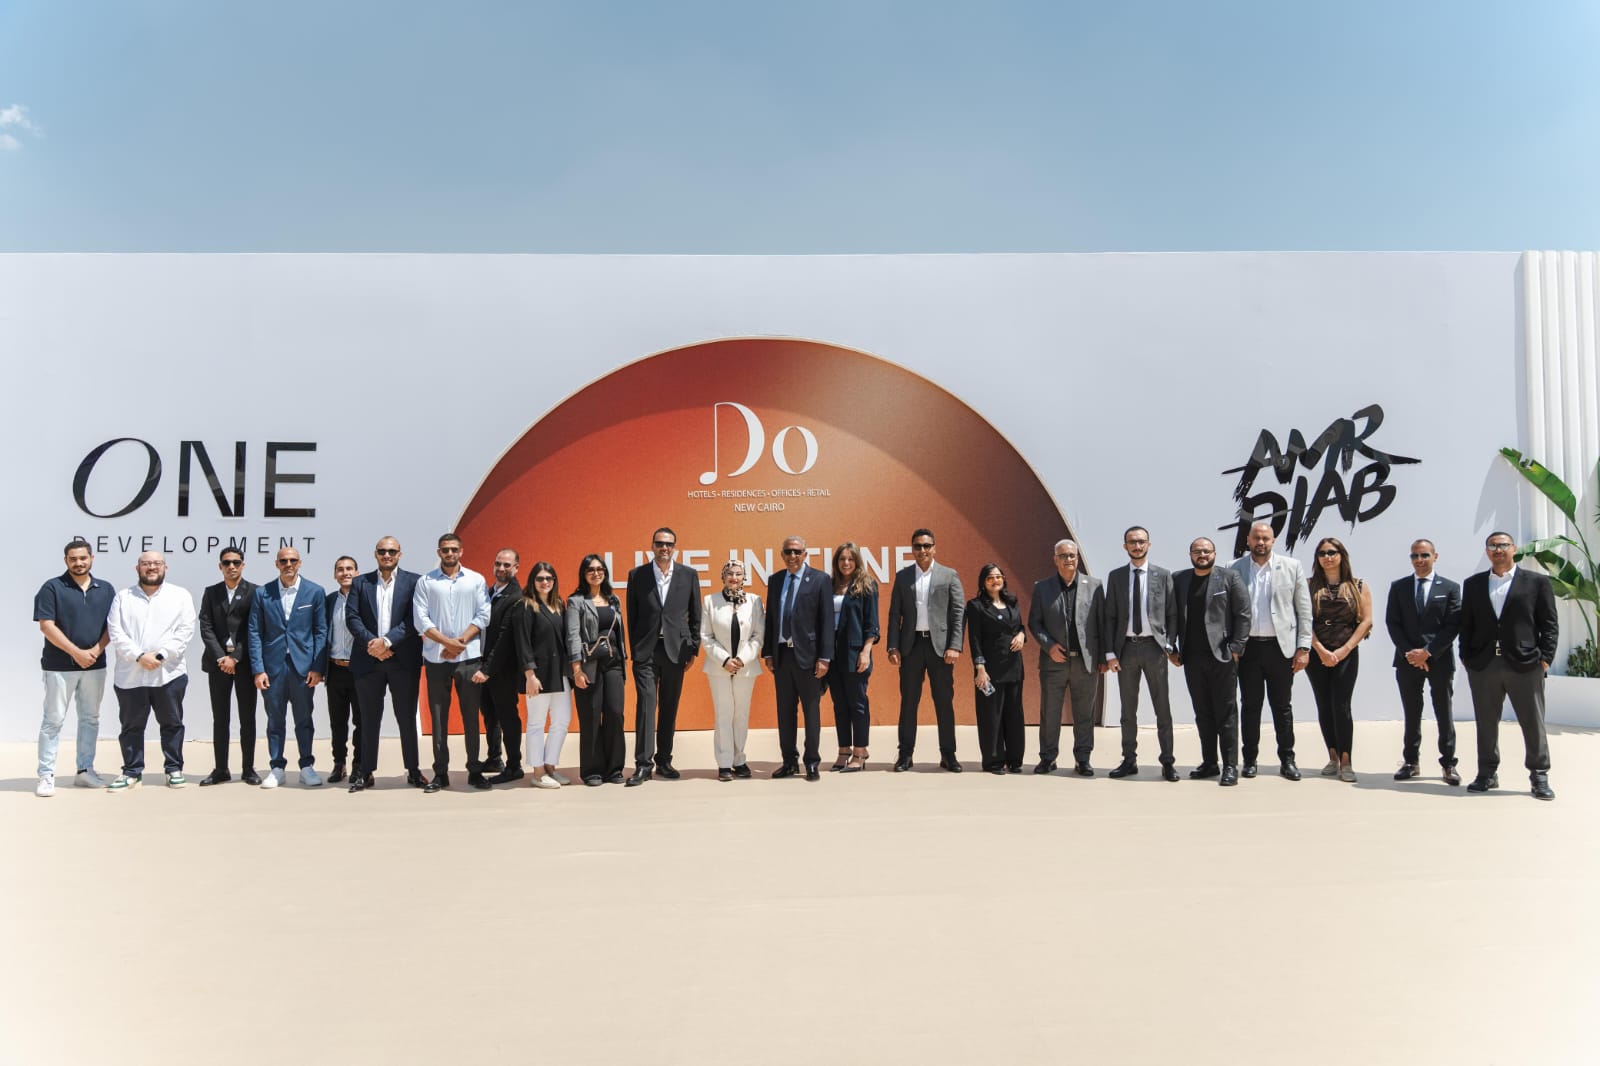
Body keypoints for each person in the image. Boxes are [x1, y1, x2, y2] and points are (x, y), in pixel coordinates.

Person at [1459, 532, 1559, 800]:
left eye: (1503, 545)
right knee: (1486, 723)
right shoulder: (1473, 584)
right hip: (1484, 665)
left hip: (1525, 663)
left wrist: (1545, 658)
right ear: (1487, 551)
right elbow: (1466, 625)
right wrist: (1467, 658)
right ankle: (1487, 773)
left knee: (1532, 722)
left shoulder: (1537, 582)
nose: (1498, 549)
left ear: (1514, 548)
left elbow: (1549, 624)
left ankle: (1539, 775)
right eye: (1492, 545)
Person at [105, 552, 196, 790]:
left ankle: (173, 769)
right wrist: (139, 656)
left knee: (172, 724)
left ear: (165, 567)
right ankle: (132, 772)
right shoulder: (123, 597)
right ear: (137, 568)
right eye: (146, 564)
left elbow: (185, 631)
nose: (152, 567)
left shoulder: (180, 596)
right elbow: (116, 632)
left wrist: (161, 655)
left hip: (169, 674)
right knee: (131, 727)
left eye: (157, 563)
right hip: (131, 675)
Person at [33, 537, 114, 797]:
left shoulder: (106, 589)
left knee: (90, 719)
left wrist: (96, 651)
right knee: (53, 721)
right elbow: (46, 626)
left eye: (83, 558)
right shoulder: (52, 587)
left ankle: (85, 771)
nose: (79, 563)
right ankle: (46, 775)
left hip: (94, 666)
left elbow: (112, 627)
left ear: (92, 558)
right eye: (73, 559)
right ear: (66, 560)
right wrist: (76, 653)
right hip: (59, 667)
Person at [1231, 521, 1312, 780]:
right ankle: (1250, 760)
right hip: (1248, 650)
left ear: (1273, 540)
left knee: (1282, 707)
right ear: (1248, 540)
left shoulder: (1292, 566)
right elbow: (1227, 611)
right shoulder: (1234, 568)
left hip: (1281, 649)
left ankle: (1287, 760)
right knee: (1250, 706)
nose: (1261, 542)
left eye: (1266, 538)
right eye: (1256, 538)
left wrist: (1303, 647)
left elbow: (1304, 611)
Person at [345, 537, 426, 792]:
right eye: (382, 551)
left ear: (400, 554)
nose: (387, 555)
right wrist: (374, 644)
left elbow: (414, 619)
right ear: (375, 554)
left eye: (392, 551)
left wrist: (387, 642)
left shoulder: (414, 582)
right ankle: (366, 772)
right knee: (369, 719)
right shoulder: (360, 582)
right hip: (368, 660)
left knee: (406, 718)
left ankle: (413, 770)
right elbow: (352, 617)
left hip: (403, 661)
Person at [414, 532, 492, 793]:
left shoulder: (475, 579)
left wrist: (459, 642)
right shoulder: (426, 582)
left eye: (453, 549)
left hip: (468, 658)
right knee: (438, 717)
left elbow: (483, 614)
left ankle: (475, 770)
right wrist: (447, 644)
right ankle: (440, 773)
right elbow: (421, 619)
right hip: (436, 659)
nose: (449, 553)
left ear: (461, 551)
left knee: (471, 716)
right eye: (445, 549)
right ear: (439, 552)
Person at [1102, 526, 1181, 781]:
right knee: (1128, 710)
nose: (1137, 546)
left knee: (1162, 708)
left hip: (1154, 649)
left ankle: (1167, 762)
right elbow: (1110, 617)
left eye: (1141, 541)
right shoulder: (1116, 577)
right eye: (1132, 542)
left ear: (1149, 544)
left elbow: (1172, 613)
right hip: (1125, 649)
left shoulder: (1163, 575)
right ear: (1125, 546)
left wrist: (1169, 644)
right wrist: (1110, 653)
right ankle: (1129, 760)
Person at [625, 527, 701, 786]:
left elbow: (696, 615)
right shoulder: (637, 575)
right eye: (659, 543)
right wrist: (636, 649)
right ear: (652, 546)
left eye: (668, 544)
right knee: (646, 705)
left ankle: (664, 761)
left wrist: (693, 648)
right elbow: (632, 615)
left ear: (674, 547)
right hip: (646, 651)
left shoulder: (688, 575)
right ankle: (643, 765)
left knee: (669, 706)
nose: (664, 548)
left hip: (676, 651)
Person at [1172, 538, 1251, 786]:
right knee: (1202, 713)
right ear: (1190, 554)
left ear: (1214, 553)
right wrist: (1171, 647)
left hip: (1222, 656)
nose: (1202, 554)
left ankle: (1230, 766)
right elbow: (1172, 614)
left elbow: (1243, 614)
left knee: (1226, 713)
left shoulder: (1230, 577)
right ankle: (1209, 763)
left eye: (1206, 551)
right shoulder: (1179, 579)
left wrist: (1236, 648)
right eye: (1197, 551)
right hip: (1192, 658)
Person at [248, 546, 328, 788]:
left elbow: (320, 631)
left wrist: (317, 667)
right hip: (273, 668)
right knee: (275, 720)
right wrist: (258, 669)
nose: (288, 564)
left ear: (300, 563)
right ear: (277, 564)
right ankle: (277, 768)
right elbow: (254, 632)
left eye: (293, 560)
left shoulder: (314, 591)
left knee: (304, 718)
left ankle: (306, 766)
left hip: (303, 667)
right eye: (283, 561)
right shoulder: (263, 593)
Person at [886, 528, 965, 772]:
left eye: (926, 545)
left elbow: (958, 612)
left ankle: (948, 754)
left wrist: (955, 645)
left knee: (944, 702)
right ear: (912, 549)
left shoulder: (949, 575)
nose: (922, 550)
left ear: (934, 548)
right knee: (909, 702)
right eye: (918, 546)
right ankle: (905, 755)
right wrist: (893, 646)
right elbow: (894, 614)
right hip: (911, 647)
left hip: (939, 648)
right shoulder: (903, 577)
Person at [1385, 539, 1462, 784]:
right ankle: (1410, 761)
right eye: (1415, 556)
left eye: (1424, 555)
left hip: (1439, 660)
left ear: (1435, 556)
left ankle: (1448, 764)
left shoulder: (1450, 587)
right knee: (1411, 712)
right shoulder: (1399, 587)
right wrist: (1411, 653)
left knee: (1444, 713)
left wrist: (1428, 652)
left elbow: (1452, 625)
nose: (1419, 560)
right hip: (1407, 661)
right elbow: (1392, 623)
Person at [1027, 539, 1104, 776]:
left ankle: (1083, 759)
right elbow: (1034, 623)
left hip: (1085, 663)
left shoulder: (1094, 586)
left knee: (1085, 714)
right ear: (1055, 559)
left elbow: (1102, 624)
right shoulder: (1043, 587)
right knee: (1050, 713)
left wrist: (1102, 657)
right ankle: (1048, 758)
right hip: (1054, 663)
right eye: (1063, 556)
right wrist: (1049, 646)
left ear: (1077, 558)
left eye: (1072, 555)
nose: (1068, 559)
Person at [763, 536, 833, 780]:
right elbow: (771, 619)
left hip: (809, 657)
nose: (792, 556)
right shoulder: (775, 580)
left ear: (805, 554)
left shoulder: (820, 579)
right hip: (782, 655)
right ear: (782, 554)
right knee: (785, 712)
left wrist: (824, 658)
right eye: (788, 552)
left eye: (797, 551)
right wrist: (768, 652)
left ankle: (811, 762)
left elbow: (827, 620)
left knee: (811, 712)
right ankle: (789, 761)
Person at [1305, 537, 1373, 783]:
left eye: (1332, 552)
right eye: (1322, 553)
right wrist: (1320, 649)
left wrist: (1344, 649)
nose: (1327, 557)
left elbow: (1366, 621)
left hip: (1346, 653)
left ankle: (1346, 761)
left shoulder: (1358, 585)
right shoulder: (1308, 585)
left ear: (1342, 555)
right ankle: (1332, 756)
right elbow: (1303, 620)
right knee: (1324, 704)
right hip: (1317, 654)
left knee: (1341, 706)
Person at [195, 547, 259, 787]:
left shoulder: (255, 592)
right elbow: (206, 626)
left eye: (236, 562)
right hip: (218, 665)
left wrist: (236, 657)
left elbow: (254, 628)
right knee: (220, 718)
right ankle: (221, 769)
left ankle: (248, 769)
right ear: (220, 566)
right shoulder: (211, 592)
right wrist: (222, 658)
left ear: (243, 565)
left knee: (247, 718)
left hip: (244, 664)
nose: (232, 566)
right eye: (227, 562)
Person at [702, 559, 765, 781]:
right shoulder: (710, 601)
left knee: (741, 714)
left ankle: (739, 760)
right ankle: (724, 763)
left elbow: (758, 635)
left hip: (745, 667)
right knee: (724, 713)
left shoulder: (755, 601)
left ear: (744, 577)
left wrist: (741, 659)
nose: (734, 578)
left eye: (738, 574)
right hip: (718, 667)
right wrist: (725, 659)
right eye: (729, 573)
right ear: (723, 576)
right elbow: (706, 636)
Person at [567, 555, 627, 786]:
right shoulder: (576, 601)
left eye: (600, 569)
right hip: (588, 666)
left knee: (614, 713)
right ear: (584, 574)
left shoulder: (614, 600)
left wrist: (623, 662)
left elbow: (620, 634)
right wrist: (576, 670)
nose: (596, 573)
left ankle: (615, 768)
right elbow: (573, 636)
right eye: (590, 570)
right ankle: (592, 770)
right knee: (591, 717)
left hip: (613, 664)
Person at [516, 561, 573, 789]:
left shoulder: (559, 604)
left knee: (562, 720)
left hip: (560, 673)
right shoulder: (526, 605)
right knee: (537, 723)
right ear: (533, 581)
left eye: (549, 578)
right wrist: (530, 675)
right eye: (540, 578)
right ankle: (538, 772)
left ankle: (550, 765)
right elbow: (522, 643)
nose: (545, 582)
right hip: (538, 675)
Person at [966, 563, 1026, 774]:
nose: (995, 580)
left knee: (1014, 715)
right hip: (989, 670)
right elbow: (974, 639)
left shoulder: (1012, 602)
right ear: (983, 582)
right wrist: (980, 668)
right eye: (990, 577)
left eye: (998, 576)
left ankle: (1015, 760)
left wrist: (1022, 635)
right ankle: (994, 761)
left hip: (1014, 667)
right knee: (991, 716)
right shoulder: (976, 606)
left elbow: (1019, 626)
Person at [472, 549, 525, 785]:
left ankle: (514, 765)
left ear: (516, 568)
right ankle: (494, 758)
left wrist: (487, 669)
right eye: (498, 564)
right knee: (489, 714)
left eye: (506, 565)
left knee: (507, 715)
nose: (501, 569)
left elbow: (504, 639)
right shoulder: (489, 592)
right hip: (483, 663)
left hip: (502, 669)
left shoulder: (516, 597)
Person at [826, 542, 879, 773]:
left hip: (855, 652)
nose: (846, 563)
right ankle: (843, 750)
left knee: (857, 703)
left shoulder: (867, 585)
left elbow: (872, 623)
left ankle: (859, 751)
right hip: (832, 653)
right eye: (842, 559)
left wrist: (866, 651)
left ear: (857, 561)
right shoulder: (829, 585)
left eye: (850, 559)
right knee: (839, 704)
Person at [323, 556, 361, 784]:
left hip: (360, 670)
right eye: (340, 569)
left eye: (349, 569)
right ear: (335, 574)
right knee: (337, 722)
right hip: (335, 669)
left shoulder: (365, 598)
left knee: (361, 722)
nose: (345, 572)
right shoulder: (329, 601)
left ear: (357, 573)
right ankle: (339, 763)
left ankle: (359, 765)